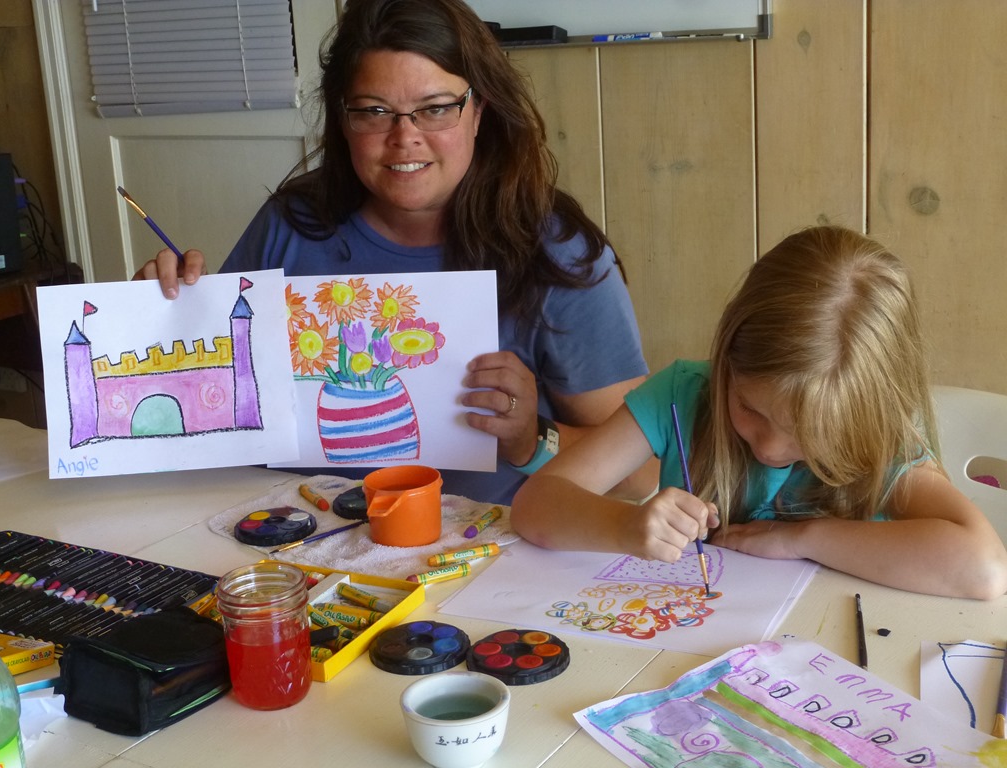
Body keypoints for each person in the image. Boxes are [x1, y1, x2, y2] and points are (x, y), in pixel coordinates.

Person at [133, 0, 649, 505]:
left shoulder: (555, 252)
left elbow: (641, 473)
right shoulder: (292, 221)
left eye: (436, 109)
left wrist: (530, 440)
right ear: (344, 120)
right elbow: (214, 402)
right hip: (284, 527)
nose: (405, 138)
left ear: (479, 111)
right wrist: (157, 317)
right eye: (374, 111)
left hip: (475, 546)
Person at [512, 225, 1007, 600]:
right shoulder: (682, 394)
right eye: (749, 407)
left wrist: (803, 538)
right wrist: (623, 525)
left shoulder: (879, 440)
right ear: (728, 359)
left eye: (809, 434)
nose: (769, 448)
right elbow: (536, 506)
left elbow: (984, 569)